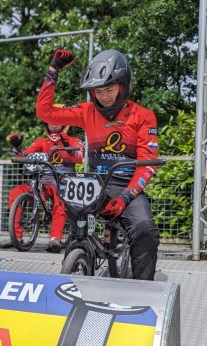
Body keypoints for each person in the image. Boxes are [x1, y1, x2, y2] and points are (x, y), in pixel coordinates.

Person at [35, 48, 160, 280]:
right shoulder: (86, 111)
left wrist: (126, 197)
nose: (103, 96)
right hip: (95, 184)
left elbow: (147, 164)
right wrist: (53, 70)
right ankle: (78, 258)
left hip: (126, 186)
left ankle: (144, 287)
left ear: (123, 86)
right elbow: (46, 112)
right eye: (98, 91)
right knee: (75, 224)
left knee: (145, 230)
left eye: (109, 89)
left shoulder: (144, 116)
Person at [0, 118, 83, 253]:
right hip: (44, 181)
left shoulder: (73, 140)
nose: (54, 124)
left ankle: (54, 239)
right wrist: (18, 149)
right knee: (15, 192)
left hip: (64, 181)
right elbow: (26, 155)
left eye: (57, 121)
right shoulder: (42, 142)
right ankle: (17, 237)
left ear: (64, 124)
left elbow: (79, 158)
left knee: (60, 200)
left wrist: (68, 146)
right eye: (50, 121)